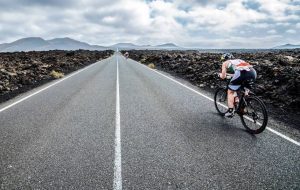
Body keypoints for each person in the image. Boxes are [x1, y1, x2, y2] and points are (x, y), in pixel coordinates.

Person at [219, 53, 257, 117]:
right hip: (253, 72)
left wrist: (220, 75)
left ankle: (230, 111)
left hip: (241, 73)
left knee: (230, 91)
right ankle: (243, 106)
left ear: (224, 59)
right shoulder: (238, 60)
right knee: (244, 90)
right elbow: (238, 72)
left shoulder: (225, 63)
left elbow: (223, 76)